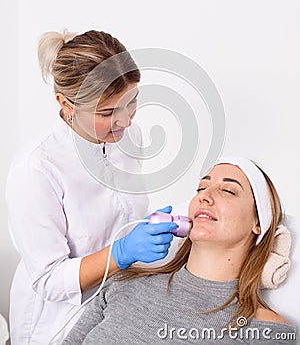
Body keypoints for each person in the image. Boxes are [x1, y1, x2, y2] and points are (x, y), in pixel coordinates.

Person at [5, 30, 177, 344]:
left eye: (131, 102)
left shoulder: (129, 138)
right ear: (65, 104)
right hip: (57, 322)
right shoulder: (36, 169)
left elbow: (118, 213)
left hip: (114, 305)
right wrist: (121, 252)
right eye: (107, 112)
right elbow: (48, 279)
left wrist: (151, 227)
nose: (125, 121)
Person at [62, 157, 297, 344]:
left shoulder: (267, 331)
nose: (205, 196)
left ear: (259, 223)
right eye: (201, 187)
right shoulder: (123, 285)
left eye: (228, 191)